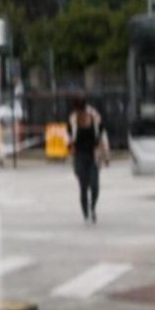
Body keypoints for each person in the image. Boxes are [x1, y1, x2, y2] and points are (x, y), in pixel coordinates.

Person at [68, 96, 110, 224]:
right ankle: (86, 213)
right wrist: (70, 147)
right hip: (79, 156)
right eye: (77, 110)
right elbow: (68, 138)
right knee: (83, 186)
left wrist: (106, 155)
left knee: (95, 185)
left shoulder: (95, 117)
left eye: (80, 110)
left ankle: (92, 208)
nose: (78, 113)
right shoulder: (72, 120)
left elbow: (102, 136)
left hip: (94, 155)